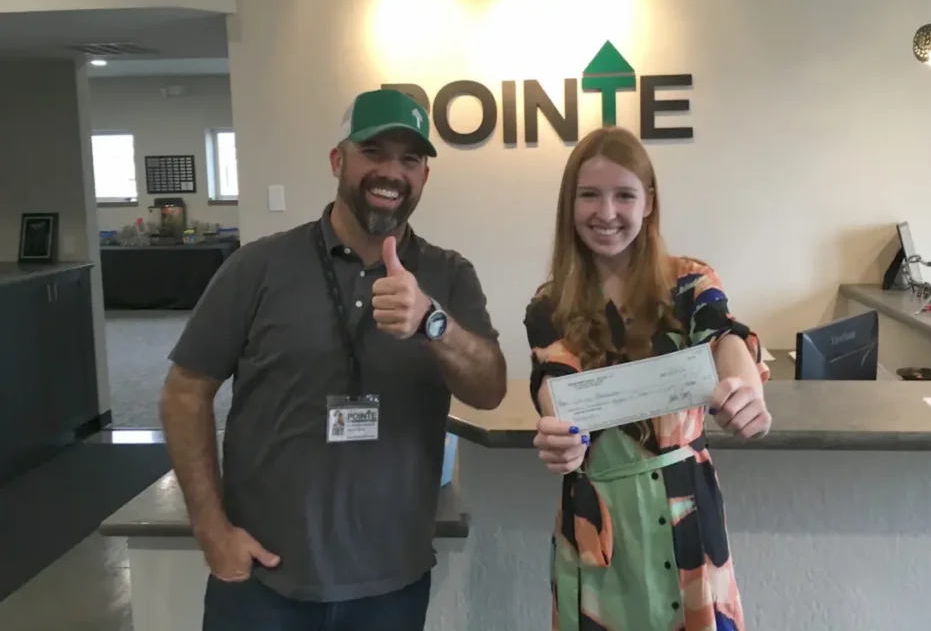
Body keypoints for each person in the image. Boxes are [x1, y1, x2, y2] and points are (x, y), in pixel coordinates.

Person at [159, 88, 508, 631]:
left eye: (410, 159)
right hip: (262, 580)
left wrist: (432, 322)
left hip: (391, 584)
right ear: (337, 160)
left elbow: (489, 389)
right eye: (374, 152)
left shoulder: (449, 275)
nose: (391, 171)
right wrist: (210, 528)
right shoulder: (259, 267)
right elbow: (186, 389)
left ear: (424, 177)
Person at [526, 126, 771, 631]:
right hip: (599, 519)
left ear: (649, 201)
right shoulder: (548, 304)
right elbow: (555, 385)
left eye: (624, 195)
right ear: (569, 205)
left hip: (687, 511)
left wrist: (747, 389)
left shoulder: (690, 281)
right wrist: (561, 438)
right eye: (589, 195)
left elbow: (724, 338)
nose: (606, 212)